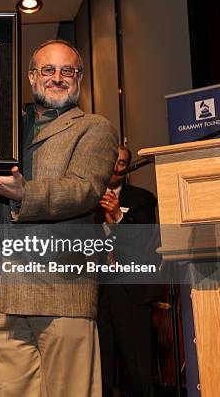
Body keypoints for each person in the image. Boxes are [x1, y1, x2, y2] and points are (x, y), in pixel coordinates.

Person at [0, 39, 118, 397]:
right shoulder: (5, 128)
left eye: (67, 71)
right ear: (32, 77)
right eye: (47, 70)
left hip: (62, 292)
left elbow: (83, 189)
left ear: (79, 78)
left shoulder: (95, 128)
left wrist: (24, 194)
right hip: (1, 291)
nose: (57, 78)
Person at [97, 145, 161, 397]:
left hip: (131, 290)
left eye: (121, 163)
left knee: (138, 368)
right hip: (97, 291)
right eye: (111, 161)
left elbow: (145, 244)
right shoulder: (86, 198)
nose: (115, 167)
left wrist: (119, 219)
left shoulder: (142, 199)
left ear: (127, 168)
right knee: (98, 369)